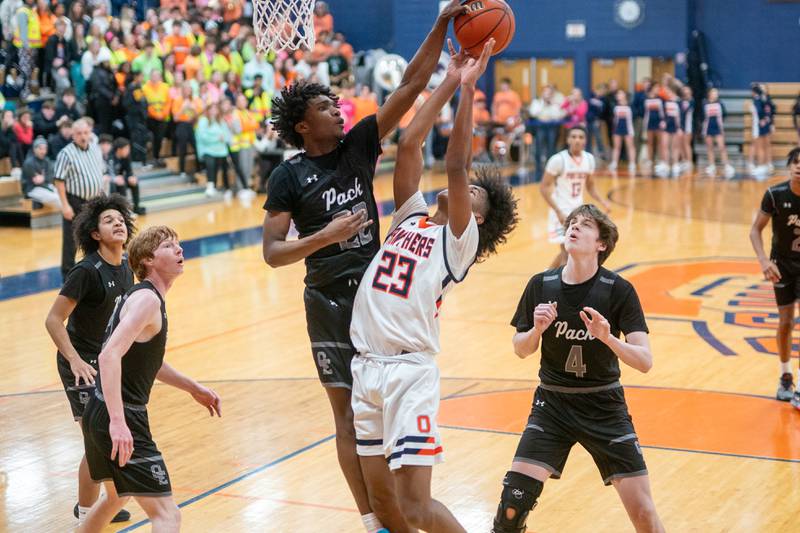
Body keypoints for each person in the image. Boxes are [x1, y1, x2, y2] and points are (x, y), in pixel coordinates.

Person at [262, 3, 468, 531]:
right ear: (304, 125)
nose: (340, 109)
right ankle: (372, 522)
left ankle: (407, 509)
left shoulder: (358, 147)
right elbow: (272, 253)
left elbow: (409, 84)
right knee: (348, 417)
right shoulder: (288, 177)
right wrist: (324, 236)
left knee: (382, 413)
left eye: (338, 103)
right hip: (328, 301)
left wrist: (443, 23)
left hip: (374, 297)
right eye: (328, 107)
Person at [351, 39, 517, 533]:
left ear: (478, 216)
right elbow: (409, 145)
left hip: (409, 375)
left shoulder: (457, 243)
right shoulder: (411, 219)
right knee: (385, 506)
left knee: (417, 507)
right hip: (366, 368)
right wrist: (447, 78)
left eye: (474, 194)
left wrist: (468, 91)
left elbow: (457, 165)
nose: (464, 188)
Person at [491, 204, 664, 533]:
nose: (574, 227)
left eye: (584, 225)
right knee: (511, 509)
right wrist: (537, 330)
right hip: (552, 405)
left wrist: (608, 338)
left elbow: (644, 361)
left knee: (643, 514)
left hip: (604, 406)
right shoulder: (541, 285)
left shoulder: (619, 290)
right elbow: (520, 349)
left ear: (602, 244)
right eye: (571, 223)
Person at [78, 225, 222, 533]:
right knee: (168, 515)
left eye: (178, 244)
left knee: (117, 497)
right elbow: (108, 356)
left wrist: (192, 387)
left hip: (99, 410)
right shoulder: (148, 300)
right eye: (170, 246)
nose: (179, 250)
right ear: (147, 260)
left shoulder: (143, 296)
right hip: (120, 414)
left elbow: (147, 362)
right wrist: (118, 422)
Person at [45, 193, 135, 524]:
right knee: (97, 439)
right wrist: (74, 361)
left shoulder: (127, 266)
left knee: (105, 438)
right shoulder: (86, 271)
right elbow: (53, 320)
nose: (118, 223)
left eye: (121, 219)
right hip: (80, 363)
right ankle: (87, 513)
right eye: (109, 220)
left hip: (107, 361)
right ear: (94, 234)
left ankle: (103, 504)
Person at [749, 148, 800, 405]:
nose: (799, 167)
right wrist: (764, 260)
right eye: (795, 162)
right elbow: (755, 231)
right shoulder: (775, 194)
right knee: (785, 323)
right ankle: (785, 376)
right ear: (789, 166)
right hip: (783, 265)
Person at [541, 126, 609, 268]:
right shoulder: (558, 160)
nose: (577, 140)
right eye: (573, 136)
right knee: (568, 253)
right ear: (567, 139)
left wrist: (603, 202)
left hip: (578, 213)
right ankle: (561, 287)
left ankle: (545, 277)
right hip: (560, 210)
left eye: (580, 137)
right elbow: (544, 188)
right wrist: (558, 211)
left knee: (567, 252)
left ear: (585, 141)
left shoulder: (589, 159)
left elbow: (590, 186)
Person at [54, 118, 106, 279]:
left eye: (85, 132)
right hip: (75, 200)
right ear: (72, 135)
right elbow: (59, 180)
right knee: (71, 240)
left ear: (90, 132)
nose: (83, 136)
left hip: (95, 201)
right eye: (79, 133)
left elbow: (99, 173)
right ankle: (68, 276)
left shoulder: (95, 149)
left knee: (96, 236)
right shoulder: (66, 153)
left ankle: (94, 271)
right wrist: (65, 205)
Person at [701, 88, 735, 179]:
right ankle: (711, 165)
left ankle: (727, 165)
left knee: (721, 147)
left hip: (718, 128)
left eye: (716, 93)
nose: (716, 94)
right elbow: (702, 116)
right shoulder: (704, 103)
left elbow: (724, 114)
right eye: (714, 92)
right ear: (709, 94)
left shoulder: (720, 103)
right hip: (708, 128)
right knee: (710, 147)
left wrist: (721, 126)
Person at [22, 136, 60, 208]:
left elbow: (51, 177)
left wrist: (43, 178)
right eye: (40, 148)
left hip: (46, 185)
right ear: (34, 149)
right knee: (56, 198)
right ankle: (68, 217)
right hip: (32, 189)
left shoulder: (47, 160)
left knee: (63, 194)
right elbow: (36, 181)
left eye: (45, 148)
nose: (43, 151)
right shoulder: (29, 162)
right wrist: (45, 178)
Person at [109, 138, 143, 215]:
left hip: (121, 178)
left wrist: (131, 177)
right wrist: (115, 179)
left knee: (134, 182)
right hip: (112, 180)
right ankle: (124, 210)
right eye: (126, 148)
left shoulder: (126, 157)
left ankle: (136, 207)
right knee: (122, 183)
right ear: (119, 149)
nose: (128, 151)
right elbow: (109, 173)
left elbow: (129, 171)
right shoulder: (110, 157)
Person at [609, 90, 636, 175]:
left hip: (628, 129)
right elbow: (613, 119)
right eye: (617, 94)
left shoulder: (630, 106)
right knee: (616, 147)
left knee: (630, 146)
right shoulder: (614, 106)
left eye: (620, 93)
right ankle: (614, 163)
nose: (618, 95)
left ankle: (632, 163)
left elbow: (633, 117)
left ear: (624, 95)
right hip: (617, 129)